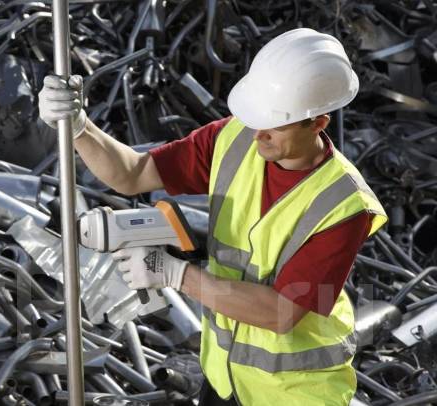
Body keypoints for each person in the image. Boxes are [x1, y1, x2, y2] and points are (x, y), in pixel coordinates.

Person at [38, 28, 388, 406]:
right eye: (258, 117)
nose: (259, 134)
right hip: (224, 381)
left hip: (293, 394)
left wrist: (174, 273)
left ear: (317, 122)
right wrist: (79, 128)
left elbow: (281, 313)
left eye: (275, 123)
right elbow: (134, 174)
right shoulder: (233, 139)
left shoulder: (344, 204)